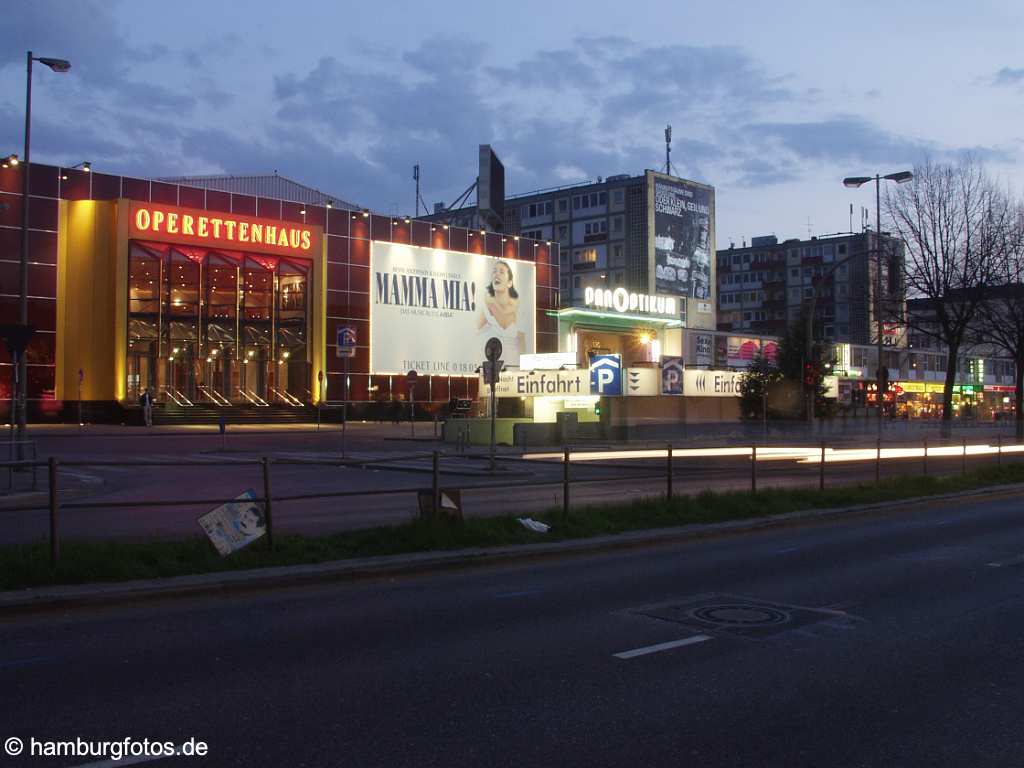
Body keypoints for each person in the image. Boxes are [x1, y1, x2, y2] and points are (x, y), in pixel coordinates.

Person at [477, 260, 526, 366]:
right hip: (492, 363)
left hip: (512, 364)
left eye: (501, 272)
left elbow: (520, 339)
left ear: (509, 282)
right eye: (494, 271)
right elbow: (475, 329)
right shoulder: (487, 304)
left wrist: (523, 369)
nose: (496, 274)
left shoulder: (517, 307)